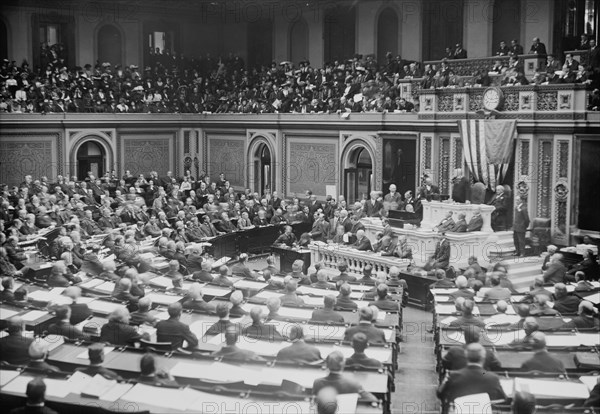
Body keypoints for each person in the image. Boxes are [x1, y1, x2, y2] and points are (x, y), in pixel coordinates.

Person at [437, 343, 506, 404]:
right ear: (483, 358)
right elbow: (503, 398)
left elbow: (440, 394)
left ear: (466, 357)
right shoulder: (493, 378)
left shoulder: (453, 376)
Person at [312, 351, 377, 402]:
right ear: (343, 364)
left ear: (327, 365)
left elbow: (314, 401)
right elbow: (373, 400)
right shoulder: (353, 384)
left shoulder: (317, 383)